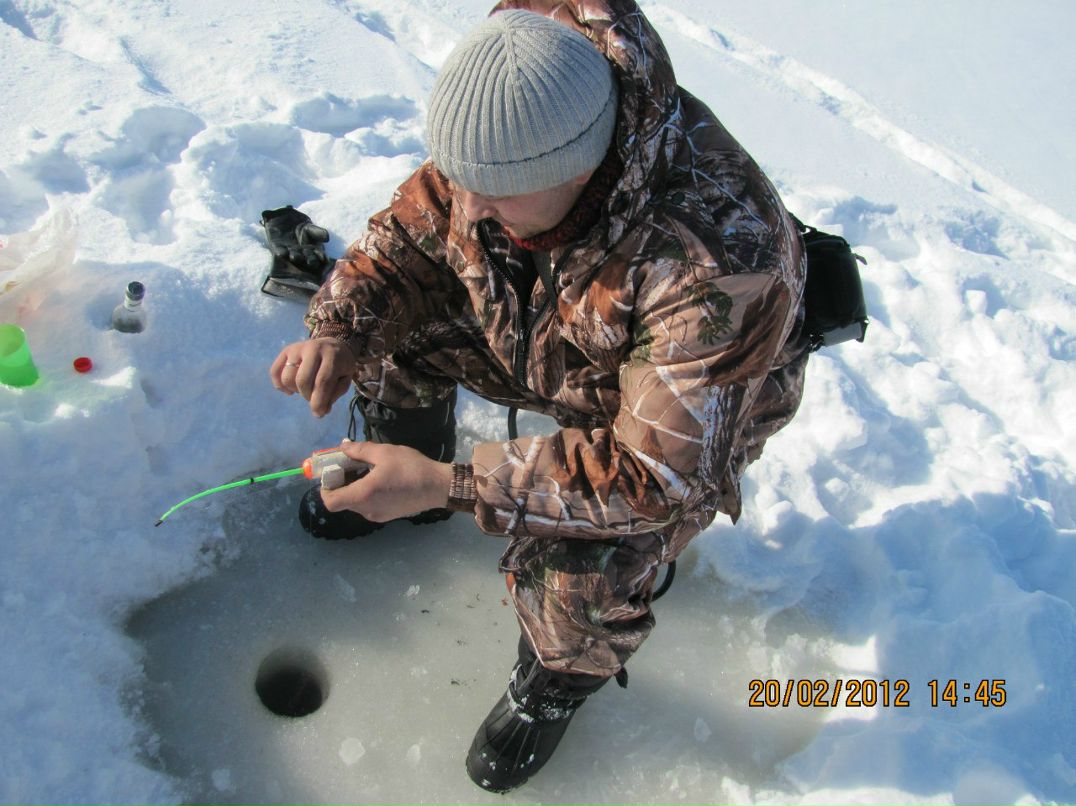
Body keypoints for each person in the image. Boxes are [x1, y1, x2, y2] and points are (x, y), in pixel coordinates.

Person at [269, 0, 808, 793]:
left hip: (670, 426)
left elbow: (652, 477)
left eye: (497, 194)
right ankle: (402, 484)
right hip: (549, 330)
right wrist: (340, 328)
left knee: (578, 568)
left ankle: (557, 680)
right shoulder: (514, 108)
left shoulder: (718, 261)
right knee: (389, 335)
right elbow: (414, 227)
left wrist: (455, 487)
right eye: (464, 180)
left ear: (580, 168)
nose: (471, 207)